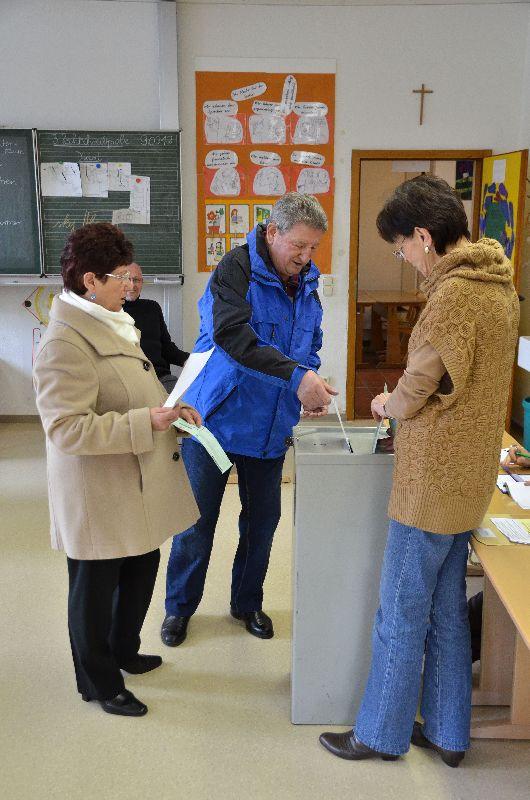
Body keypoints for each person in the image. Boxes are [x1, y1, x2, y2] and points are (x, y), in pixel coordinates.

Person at [319, 175, 519, 767]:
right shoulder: (499, 286)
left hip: (432, 480)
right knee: (447, 609)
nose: (403, 257)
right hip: (471, 475)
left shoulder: (454, 297)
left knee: (402, 609)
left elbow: (418, 387)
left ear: (425, 237)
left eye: (401, 246)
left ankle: (380, 733)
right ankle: (450, 733)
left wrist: (385, 404)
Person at [33, 223, 200, 717]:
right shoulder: (65, 340)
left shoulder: (112, 319)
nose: (129, 287)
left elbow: (133, 388)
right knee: (94, 587)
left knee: (140, 567)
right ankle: (100, 682)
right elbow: (66, 428)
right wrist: (143, 422)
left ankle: (124, 650)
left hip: (135, 477)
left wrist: (171, 410)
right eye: (120, 277)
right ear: (90, 280)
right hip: (97, 490)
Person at [161, 192, 336, 647]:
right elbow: (232, 337)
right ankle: (179, 608)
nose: (305, 256)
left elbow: (308, 343)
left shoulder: (309, 282)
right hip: (214, 422)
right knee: (197, 525)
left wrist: (309, 379)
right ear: (272, 232)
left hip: (270, 427)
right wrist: (297, 377)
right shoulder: (234, 271)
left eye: (314, 247)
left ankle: (247, 603)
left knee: (261, 525)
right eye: (298, 245)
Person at [123, 262, 189, 393]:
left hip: (162, 378)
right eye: (127, 279)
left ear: (142, 282)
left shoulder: (152, 307)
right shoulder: (110, 312)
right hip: (131, 381)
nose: (132, 285)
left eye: (136, 280)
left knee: (187, 405)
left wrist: (189, 360)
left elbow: (167, 348)